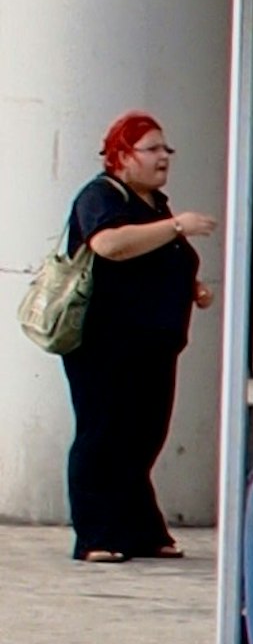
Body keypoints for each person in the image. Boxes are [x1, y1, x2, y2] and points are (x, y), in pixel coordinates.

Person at [59, 113, 211, 561]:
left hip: (155, 342)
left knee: (143, 435)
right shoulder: (101, 196)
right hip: (106, 343)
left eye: (167, 149)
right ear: (123, 157)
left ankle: (140, 530)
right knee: (102, 433)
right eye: (153, 149)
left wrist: (192, 287)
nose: (164, 157)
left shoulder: (155, 205)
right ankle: (95, 535)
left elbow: (162, 260)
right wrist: (178, 226)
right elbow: (110, 245)